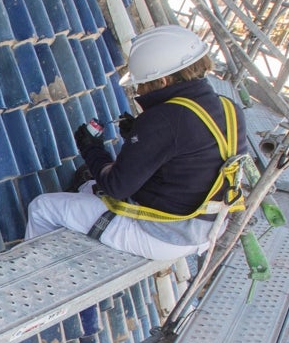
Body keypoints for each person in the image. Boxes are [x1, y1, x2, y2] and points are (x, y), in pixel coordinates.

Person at [24, 25, 248, 260]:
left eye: (143, 83)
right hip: (208, 228)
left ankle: (29, 269)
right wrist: (142, 138)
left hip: (163, 234)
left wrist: (91, 148)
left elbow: (116, 186)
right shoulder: (228, 108)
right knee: (85, 189)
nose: (139, 90)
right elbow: (190, 154)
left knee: (43, 208)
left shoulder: (164, 119)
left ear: (162, 81)